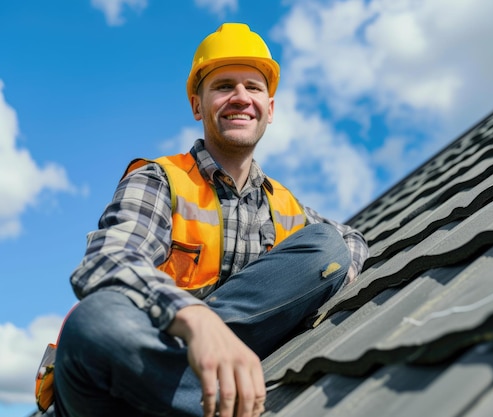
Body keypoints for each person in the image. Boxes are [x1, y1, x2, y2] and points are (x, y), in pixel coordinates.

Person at [52, 22, 368, 417]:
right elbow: (107, 261)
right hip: (136, 374)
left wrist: (343, 270)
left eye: (253, 88)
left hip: (217, 380)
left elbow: (350, 240)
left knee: (327, 246)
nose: (240, 98)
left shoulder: (285, 206)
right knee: (93, 324)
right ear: (197, 105)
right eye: (224, 87)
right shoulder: (161, 180)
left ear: (270, 110)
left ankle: (216, 396)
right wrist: (195, 319)